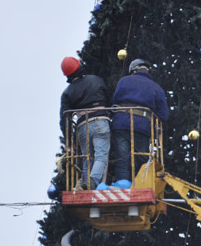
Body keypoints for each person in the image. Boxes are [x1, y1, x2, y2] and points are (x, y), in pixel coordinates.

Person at [110, 58, 169, 186]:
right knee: (142, 159)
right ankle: (141, 185)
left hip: (120, 123)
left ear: (133, 71)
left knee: (122, 158)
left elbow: (114, 100)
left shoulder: (123, 81)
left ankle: (122, 186)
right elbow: (163, 115)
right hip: (141, 126)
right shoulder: (156, 87)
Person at [60, 56, 111, 190]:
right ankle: (92, 182)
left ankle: (85, 184)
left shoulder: (67, 92)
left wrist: (69, 142)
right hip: (101, 121)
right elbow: (108, 100)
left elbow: (65, 119)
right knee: (101, 155)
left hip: (83, 125)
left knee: (87, 158)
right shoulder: (96, 80)